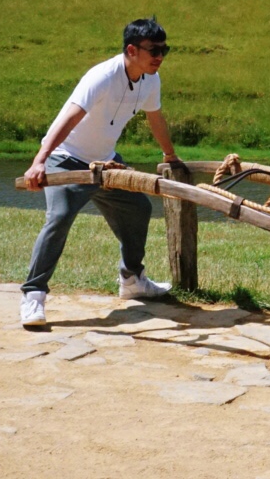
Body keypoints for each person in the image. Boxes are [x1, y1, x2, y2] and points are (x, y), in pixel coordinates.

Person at [18, 17, 184, 329]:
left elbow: (155, 117)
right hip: (67, 159)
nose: (160, 56)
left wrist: (170, 155)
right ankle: (33, 295)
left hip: (105, 163)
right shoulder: (103, 76)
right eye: (154, 50)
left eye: (165, 49)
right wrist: (40, 160)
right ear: (132, 50)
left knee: (138, 209)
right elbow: (69, 116)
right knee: (60, 218)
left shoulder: (151, 79)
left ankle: (132, 279)